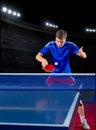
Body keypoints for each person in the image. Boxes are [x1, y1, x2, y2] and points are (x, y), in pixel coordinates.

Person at [35, 29, 90, 129]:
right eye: (57, 41)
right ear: (55, 39)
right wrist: (43, 60)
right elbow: (38, 56)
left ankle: (83, 122)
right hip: (54, 76)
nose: (59, 44)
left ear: (65, 40)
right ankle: (50, 118)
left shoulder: (70, 45)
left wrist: (82, 54)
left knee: (77, 98)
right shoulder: (51, 44)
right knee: (49, 97)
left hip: (66, 76)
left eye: (62, 42)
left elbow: (84, 55)